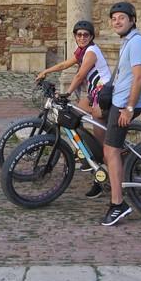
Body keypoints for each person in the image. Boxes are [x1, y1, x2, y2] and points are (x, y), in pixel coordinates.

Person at [35, 20, 112, 198]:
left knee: (102, 145)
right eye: (79, 35)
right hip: (94, 94)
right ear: (75, 37)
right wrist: (46, 71)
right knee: (74, 117)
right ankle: (84, 153)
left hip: (103, 95)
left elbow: (80, 75)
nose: (82, 37)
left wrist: (66, 93)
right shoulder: (81, 51)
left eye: (86, 35)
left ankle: (102, 177)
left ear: (91, 37)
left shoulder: (91, 51)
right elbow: (64, 65)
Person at [100, 1, 141, 226]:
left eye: (122, 17)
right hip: (118, 101)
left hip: (124, 105)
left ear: (132, 20)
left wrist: (129, 108)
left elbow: (139, 77)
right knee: (110, 146)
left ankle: (118, 204)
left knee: (110, 151)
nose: (117, 21)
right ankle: (120, 174)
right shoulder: (128, 42)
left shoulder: (137, 42)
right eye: (113, 18)